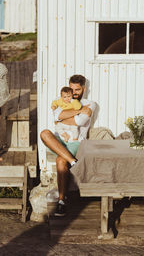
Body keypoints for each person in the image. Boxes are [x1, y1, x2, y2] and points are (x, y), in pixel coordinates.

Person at [40, 74, 96, 216]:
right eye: (72, 89)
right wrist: (77, 112)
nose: (74, 93)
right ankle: (73, 161)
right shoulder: (62, 100)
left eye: (77, 90)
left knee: (60, 160)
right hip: (59, 140)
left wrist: (65, 117)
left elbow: (79, 122)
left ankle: (61, 201)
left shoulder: (91, 104)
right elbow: (56, 117)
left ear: (83, 88)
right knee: (45, 133)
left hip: (76, 142)